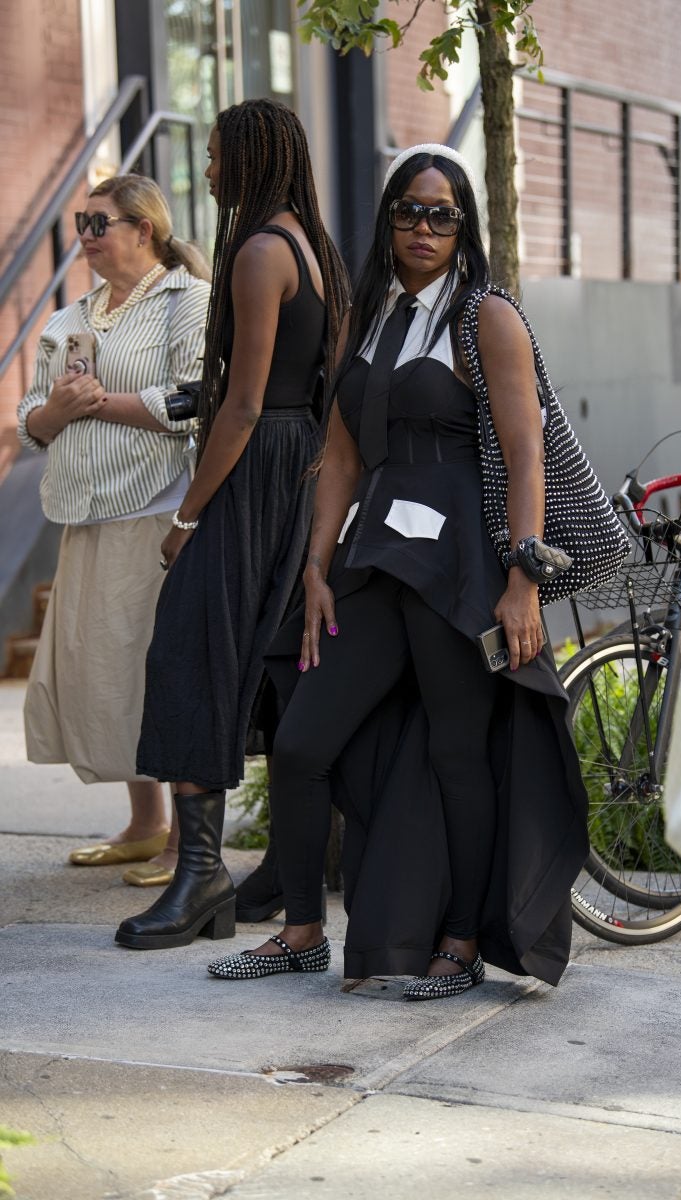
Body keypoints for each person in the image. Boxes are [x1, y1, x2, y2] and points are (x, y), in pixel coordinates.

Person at [207, 144, 589, 999]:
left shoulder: (485, 315)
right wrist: (316, 564)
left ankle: (458, 945)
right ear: (386, 221)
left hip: (461, 571)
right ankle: (301, 931)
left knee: (461, 753)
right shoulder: (370, 315)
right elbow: (339, 453)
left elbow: (526, 454)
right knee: (302, 743)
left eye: (442, 214)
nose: (423, 227)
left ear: (464, 227)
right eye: (409, 212)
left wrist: (524, 575)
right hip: (373, 559)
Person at [114, 99, 350, 950]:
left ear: (251, 158)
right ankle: (289, 866)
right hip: (296, 470)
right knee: (275, 669)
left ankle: (199, 876)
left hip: (253, 472)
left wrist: (186, 516)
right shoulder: (313, 247)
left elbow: (243, 404)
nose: (207, 172)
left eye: (216, 158)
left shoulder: (257, 253)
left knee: (187, 655)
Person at [17, 174, 211, 886]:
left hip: (157, 511)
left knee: (150, 670)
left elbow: (195, 400)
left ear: (144, 229)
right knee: (103, 674)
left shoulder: (186, 301)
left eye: (100, 223)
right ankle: (143, 822)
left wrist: (96, 404)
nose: (87, 236)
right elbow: (31, 424)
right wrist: (62, 410)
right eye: (81, 222)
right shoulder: (73, 315)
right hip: (85, 512)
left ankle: (178, 846)